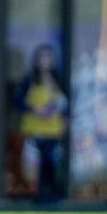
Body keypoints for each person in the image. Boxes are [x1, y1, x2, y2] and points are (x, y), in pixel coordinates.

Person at [15, 44, 67, 203]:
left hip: (54, 130)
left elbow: (65, 104)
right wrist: (34, 109)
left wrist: (66, 119)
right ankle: (39, 194)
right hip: (35, 130)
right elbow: (17, 101)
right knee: (37, 163)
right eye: (42, 57)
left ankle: (51, 193)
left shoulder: (58, 80)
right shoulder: (29, 80)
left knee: (51, 162)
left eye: (48, 57)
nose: (45, 61)